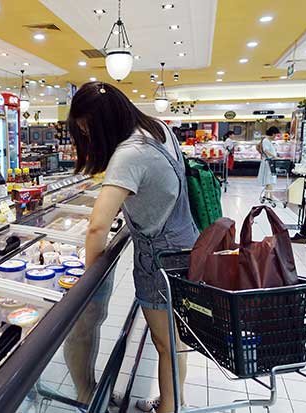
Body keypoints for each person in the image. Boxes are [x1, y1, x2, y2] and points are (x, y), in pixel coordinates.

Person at [67, 82, 199, 413]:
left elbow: (98, 226)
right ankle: (174, 399)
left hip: (161, 257)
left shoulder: (128, 153)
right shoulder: (156, 128)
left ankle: (169, 409)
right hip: (184, 244)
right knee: (173, 339)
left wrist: (90, 279)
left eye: (87, 130)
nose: (88, 139)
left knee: (166, 344)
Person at [256, 126, 279, 193]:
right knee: (269, 180)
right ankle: (270, 196)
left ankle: (267, 195)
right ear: (272, 133)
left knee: (269, 180)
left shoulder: (268, 140)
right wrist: (274, 156)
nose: (275, 136)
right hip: (268, 163)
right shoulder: (266, 140)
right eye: (275, 134)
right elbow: (266, 150)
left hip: (269, 162)